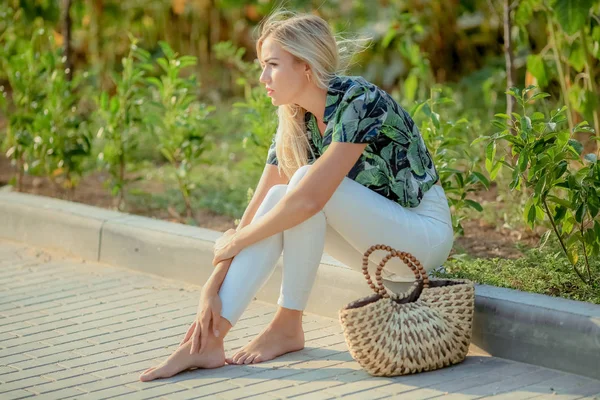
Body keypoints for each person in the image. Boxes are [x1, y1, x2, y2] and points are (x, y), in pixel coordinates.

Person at [139, 9, 453, 382]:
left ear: (305, 66)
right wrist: (212, 284)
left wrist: (237, 240)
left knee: (304, 184)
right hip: (375, 250)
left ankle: (280, 325)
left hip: (421, 237)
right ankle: (215, 340)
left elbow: (308, 200)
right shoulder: (295, 119)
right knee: (283, 197)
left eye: (272, 64)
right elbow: (259, 209)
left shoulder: (360, 100)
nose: (262, 77)